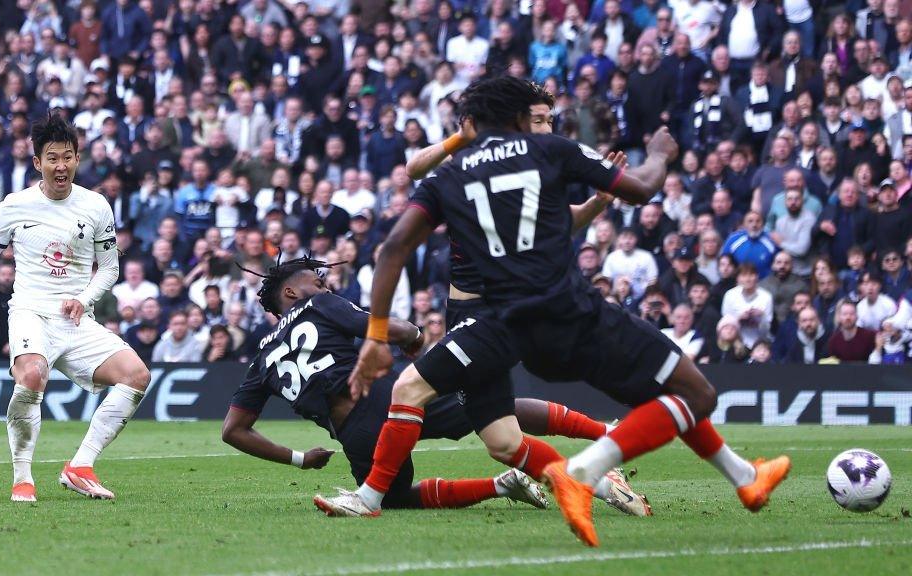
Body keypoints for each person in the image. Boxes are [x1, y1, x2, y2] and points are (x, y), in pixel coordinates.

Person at [323, 77, 788, 546]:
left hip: (507, 326)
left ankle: (745, 476)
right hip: (569, 312)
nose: (544, 125)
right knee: (694, 393)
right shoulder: (548, 151)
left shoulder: (452, 177)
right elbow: (644, 189)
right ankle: (586, 470)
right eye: (538, 118)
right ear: (520, 119)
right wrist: (661, 153)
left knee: (501, 434)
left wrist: (375, 337)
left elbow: (393, 248)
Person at [224, 257, 648, 514]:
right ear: (292, 292)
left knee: (392, 498)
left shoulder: (260, 358)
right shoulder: (318, 303)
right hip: (385, 395)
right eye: (317, 282)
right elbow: (387, 328)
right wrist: (414, 340)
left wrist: (300, 459)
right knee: (498, 409)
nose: (325, 285)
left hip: (354, 432)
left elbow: (233, 430)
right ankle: (605, 435)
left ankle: (502, 486)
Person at [0, 114, 151, 503]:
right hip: (30, 312)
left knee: (137, 376)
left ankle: (80, 466)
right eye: (52, 158)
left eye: (68, 157)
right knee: (33, 375)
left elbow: (109, 269)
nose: (61, 166)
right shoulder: (16, 204)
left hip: (75, 318)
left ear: (77, 159)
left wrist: (84, 299)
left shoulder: (96, 205)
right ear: (37, 162)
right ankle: (23, 478)